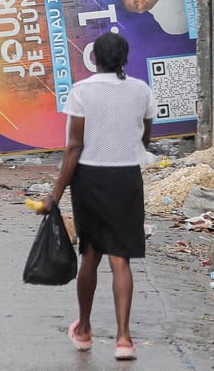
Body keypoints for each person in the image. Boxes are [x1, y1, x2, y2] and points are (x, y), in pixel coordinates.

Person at [34, 32, 154, 361]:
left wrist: (55, 194)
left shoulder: (82, 91)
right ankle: (124, 339)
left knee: (91, 255)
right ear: (124, 59)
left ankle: (85, 329)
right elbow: (145, 136)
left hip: (89, 179)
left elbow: (74, 146)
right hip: (127, 178)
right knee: (120, 259)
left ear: (95, 59)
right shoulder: (141, 90)